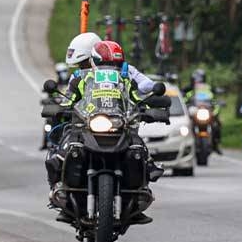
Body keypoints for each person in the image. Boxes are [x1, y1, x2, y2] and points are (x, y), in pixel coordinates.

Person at [45, 33, 159, 224]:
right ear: (94, 60)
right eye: (103, 61)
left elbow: (137, 99)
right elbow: (69, 99)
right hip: (86, 125)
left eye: (113, 63)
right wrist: (59, 109)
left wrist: (150, 110)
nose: (109, 67)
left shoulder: (125, 78)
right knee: (61, 152)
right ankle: (60, 193)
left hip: (119, 125)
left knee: (139, 150)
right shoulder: (81, 77)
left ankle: (138, 194)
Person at [184, 67, 222, 154]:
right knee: (186, 125)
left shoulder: (208, 89)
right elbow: (185, 99)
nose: (198, 81)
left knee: (217, 124)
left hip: (207, 111)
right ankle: (186, 144)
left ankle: (216, 144)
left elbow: (214, 100)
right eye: (196, 79)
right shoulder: (191, 90)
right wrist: (185, 103)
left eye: (199, 79)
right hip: (195, 112)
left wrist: (216, 106)